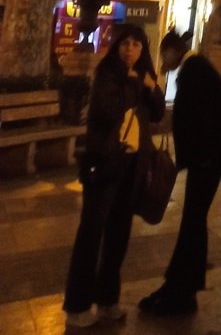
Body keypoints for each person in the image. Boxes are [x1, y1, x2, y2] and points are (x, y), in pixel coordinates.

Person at [64, 25, 166, 328]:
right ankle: (78, 305)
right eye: (125, 43)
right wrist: (134, 85)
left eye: (136, 44)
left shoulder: (143, 76)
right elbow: (105, 111)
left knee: (119, 235)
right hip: (105, 163)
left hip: (133, 165)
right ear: (116, 46)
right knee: (91, 233)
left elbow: (159, 112)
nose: (130, 49)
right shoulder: (107, 75)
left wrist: (150, 87)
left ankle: (108, 300)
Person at [139, 31, 221, 316]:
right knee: (193, 221)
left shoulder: (194, 70)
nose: (162, 61)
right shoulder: (196, 68)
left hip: (208, 157)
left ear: (173, 51)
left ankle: (180, 290)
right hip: (208, 156)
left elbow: (202, 118)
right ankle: (183, 286)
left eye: (163, 54)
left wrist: (202, 158)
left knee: (193, 220)